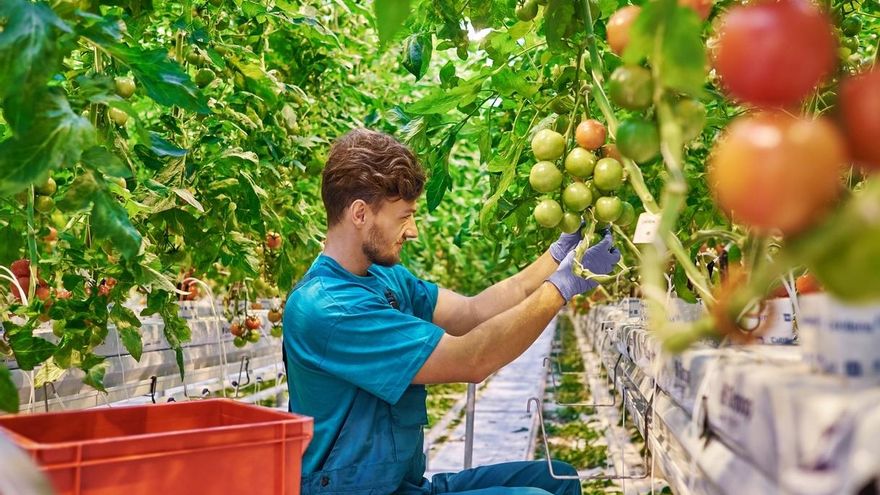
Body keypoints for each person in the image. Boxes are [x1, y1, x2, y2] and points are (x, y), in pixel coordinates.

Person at [283, 129, 621, 495]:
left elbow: (472, 313)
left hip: (403, 485)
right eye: (403, 217)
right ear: (360, 213)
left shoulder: (385, 277)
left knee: (560, 478)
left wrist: (557, 256)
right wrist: (562, 287)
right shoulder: (329, 308)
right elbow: (471, 359)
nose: (411, 231)